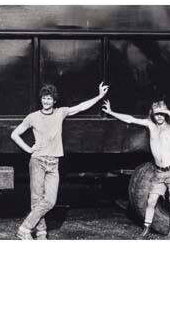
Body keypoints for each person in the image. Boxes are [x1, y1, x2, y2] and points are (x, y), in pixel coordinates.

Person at [11, 81, 109, 239]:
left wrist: (99, 96)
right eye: (44, 98)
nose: (46, 101)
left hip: (53, 163)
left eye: (49, 98)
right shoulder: (33, 117)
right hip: (37, 161)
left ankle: (24, 228)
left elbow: (81, 107)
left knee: (50, 201)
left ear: (54, 100)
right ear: (41, 99)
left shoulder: (60, 113)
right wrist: (28, 149)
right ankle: (41, 233)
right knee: (36, 199)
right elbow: (14, 134)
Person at [102, 99, 170, 239]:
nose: (159, 117)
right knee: (151, 200)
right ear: (152, 114)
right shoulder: (150, 125)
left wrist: (167, 111)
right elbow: (130, 119)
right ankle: (146, 231)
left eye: (162, 114)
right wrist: (111, 112)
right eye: (156, 114)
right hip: (159, 171)